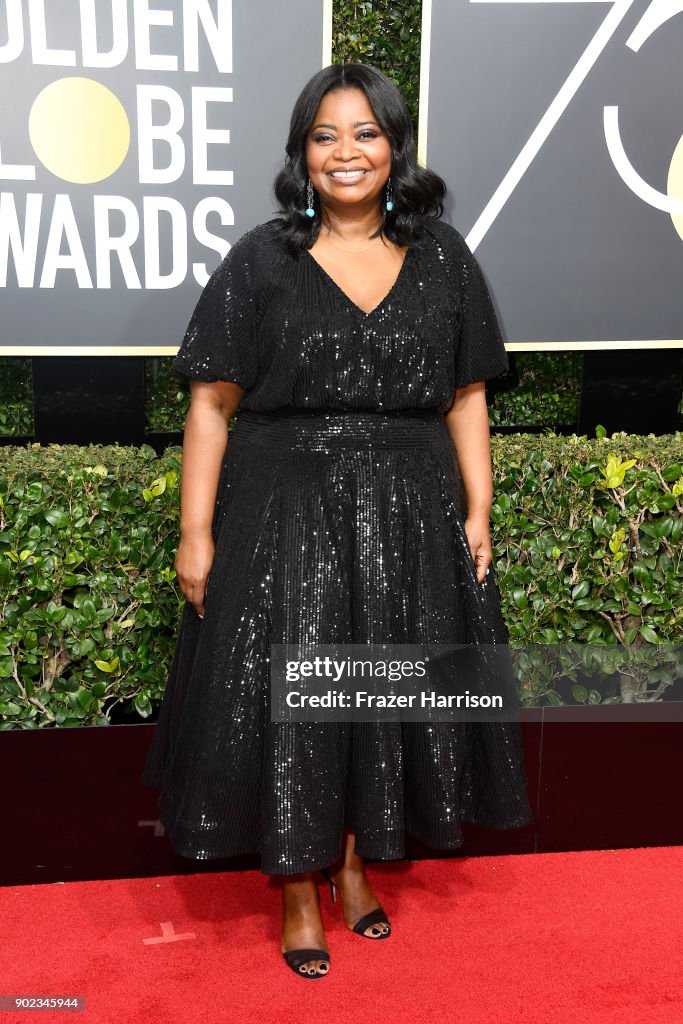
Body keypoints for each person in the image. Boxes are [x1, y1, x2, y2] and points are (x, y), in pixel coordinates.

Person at [141, 62, 533, 980]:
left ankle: (354, 865)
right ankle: (293, 885)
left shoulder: (441, 256)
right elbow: (209, 401)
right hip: (285, 504)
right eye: (325, 135)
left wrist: (478, 509)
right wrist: (196, 531)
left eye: (364, 133)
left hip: (410, 507)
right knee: (297, 697)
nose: (345, 152)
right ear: (301, 153)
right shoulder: (261, 259)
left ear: (394, 147)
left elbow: (468, 391)